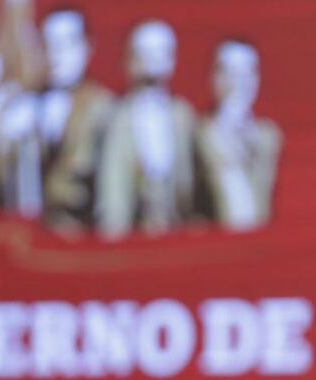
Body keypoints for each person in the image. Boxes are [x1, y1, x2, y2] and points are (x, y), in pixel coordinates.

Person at [96, 19, 197, 239]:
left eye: (160, 53)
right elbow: (111, 184)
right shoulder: (115, 119)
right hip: (129, 235)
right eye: (143, 54)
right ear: (129, 61)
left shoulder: (183, 116)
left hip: (177, 232)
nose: (151, 63)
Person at [37, 6, 115, 232]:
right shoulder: (27, 107)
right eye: (48, 45)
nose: (56, 55)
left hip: (82, 232)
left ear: (87, 47)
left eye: (66, 45)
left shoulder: (104, 109)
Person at [195, 38, 282, 230]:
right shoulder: (199, 132)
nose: (237, 83)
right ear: (215, 77)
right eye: (230, 73)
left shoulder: (267, 136)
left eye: (245, 74)